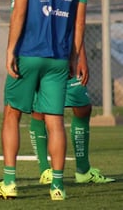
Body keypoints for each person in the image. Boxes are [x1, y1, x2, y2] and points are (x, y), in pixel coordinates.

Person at [0, 0, 87, 201]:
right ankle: (57, 186)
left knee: (12, 114)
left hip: (29, 53)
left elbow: (19, 12)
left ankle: (9, 182)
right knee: (55, 121)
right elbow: (79, 24)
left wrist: (10, 50)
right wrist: (74, 56)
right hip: (58, 58)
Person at [30, 44, 115, 184]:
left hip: (67, 55)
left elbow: (78, 28)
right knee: (39, 111)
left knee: (83, 108)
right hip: (39, 54)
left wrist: (82, 58)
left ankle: (83, 170)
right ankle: (45, 170)